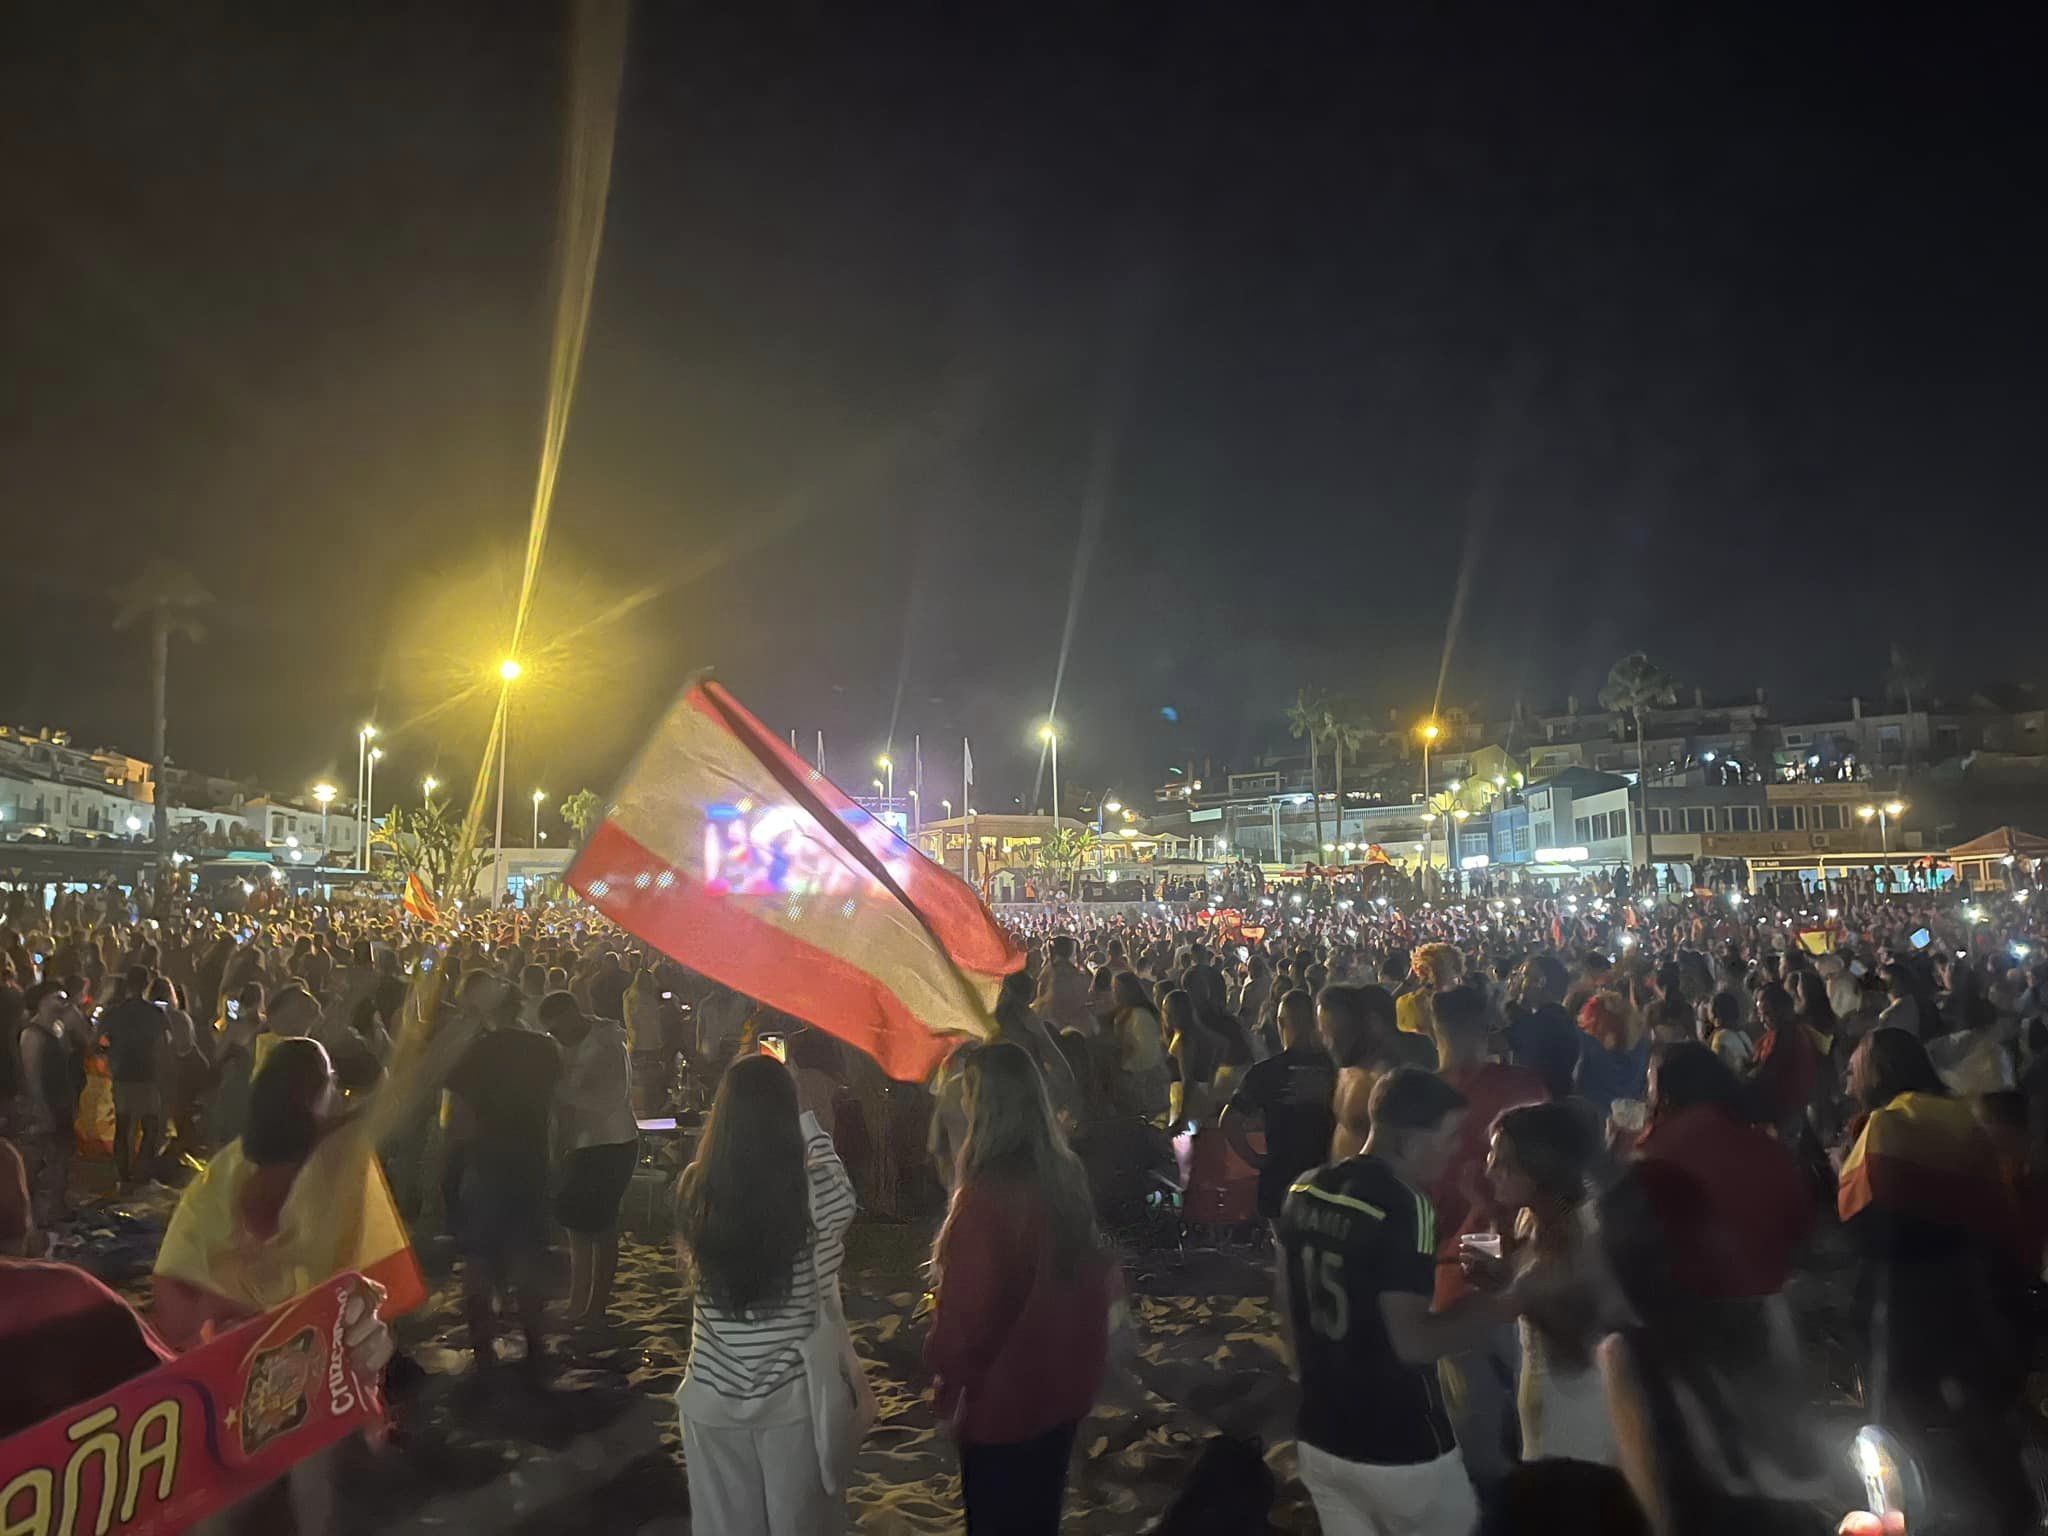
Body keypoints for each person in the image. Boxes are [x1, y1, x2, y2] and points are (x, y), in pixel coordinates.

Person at [1277, 1069, 1498, 1535]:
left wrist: (1482, 1214)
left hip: (1320, 1435)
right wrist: (1510, 1303)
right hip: (1400, 1445)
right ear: (1411, 1139)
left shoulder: (1304, 1188)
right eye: (1451, 1135)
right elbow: (1414, 1342)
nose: (1458, 1148)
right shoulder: (1404, 1204)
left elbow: (1287, 1310)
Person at [928, 1042, 1118, 1534]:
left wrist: (948, 1386)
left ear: (984, 1104)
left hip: (1004, 1401)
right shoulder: (1065, 1176)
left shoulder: (985, 1199)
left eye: (968, 1093)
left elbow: (968, 1318)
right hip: (1062, 1389)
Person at [674, 1053, 856, 1536]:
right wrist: (805, 1112)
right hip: (791, 1400)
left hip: (710, 1393)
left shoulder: (697, 1187)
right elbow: (839, 1184)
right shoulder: (817, 1190)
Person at [1427, 984, 1546, 1496]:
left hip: (1451, 1244)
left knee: (1468, 1377)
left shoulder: (1423, 1094)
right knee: (1523, 1364)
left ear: (1437, 1029)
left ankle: (1487, 1488)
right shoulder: (1521, 1085)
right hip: (1513, 1238)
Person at [1474, 1102, 1622, 1466]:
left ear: (1542, 1163)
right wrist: (1493, 1220)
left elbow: (1581, 1344)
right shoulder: (1531, 1213)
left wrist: (1517, 1296)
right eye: (1491, 1155)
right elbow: (1506, 1270)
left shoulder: (1585, 1232)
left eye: (1502, 1159)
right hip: (1538, 1394)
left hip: (1580, 1408)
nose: (1489, 1169)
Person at [445, 980, 563, 1374]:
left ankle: (483, 1347)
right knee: (529, 1252)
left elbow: (458, 1118)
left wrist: (454, 1164)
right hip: (531, 1158)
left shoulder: (474, 1051)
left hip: (487, 1159)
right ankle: (533, 1340)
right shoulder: (544, 1047)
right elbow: (555, 1108)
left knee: (479, 1257)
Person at [543, 990, 638, 1324]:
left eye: (558, 1029)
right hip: (578, 1146)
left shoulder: (608, 1043)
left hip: (612, 1143)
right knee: (575, 1224)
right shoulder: (559, 1044)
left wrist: (558, 1091)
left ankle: (596, 1306)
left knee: (601, 1225)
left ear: (573, 1014)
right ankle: (577, 1300)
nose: (556, 1037)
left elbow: (612, 1098)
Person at [1222, 988, 1337, 1225]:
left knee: (1285, 1251)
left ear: (1280, 1022)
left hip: (1281, 1179)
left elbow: (1229, 1120)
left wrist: (1255, 1159)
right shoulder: (1337, 1070)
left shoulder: (1266, 1072)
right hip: (1328, 1179)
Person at [99, 964, 166, 1187]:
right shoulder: (155, 1013)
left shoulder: (114, 1013)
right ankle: (141, 1172)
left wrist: (111, 1054)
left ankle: (124, 1176)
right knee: (150, 1127)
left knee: (123, 1126)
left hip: (123, 1074)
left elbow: (97, 1041)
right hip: (148, 1075)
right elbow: (164, 1045)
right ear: (147, 984)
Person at [1035, 935, 1096, 1036]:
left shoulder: (1048, 970)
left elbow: (1040, 993)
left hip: (1051, 1017)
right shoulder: (1074, 971)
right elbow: (1090, 987)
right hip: (1072, 1019)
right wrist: (1082, 964)